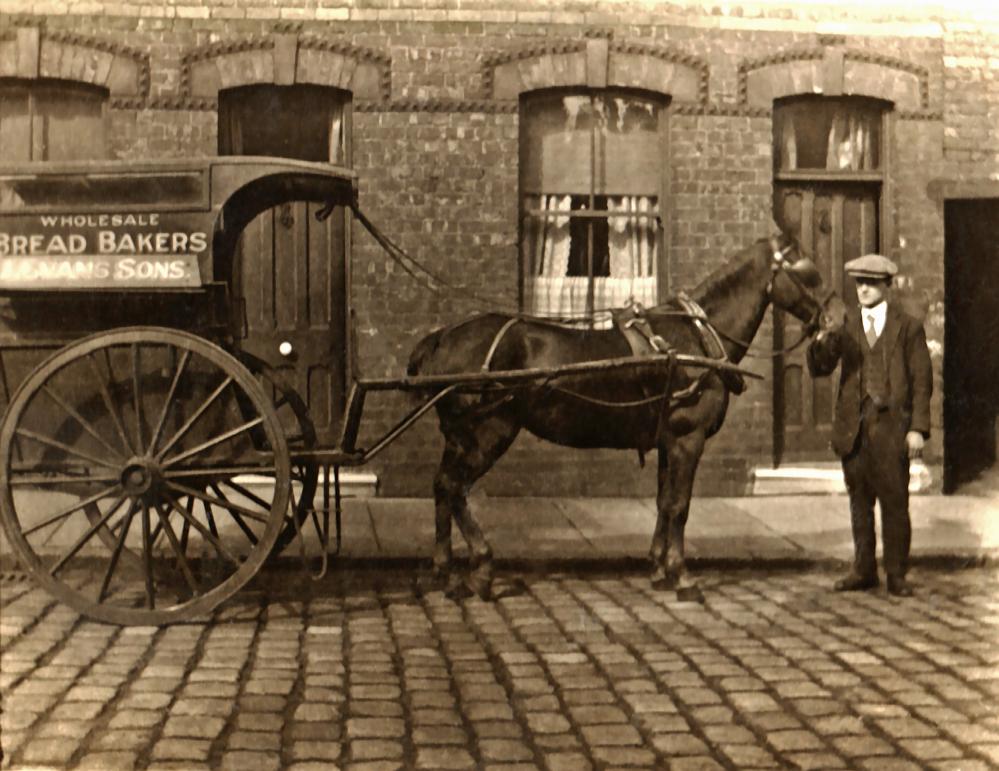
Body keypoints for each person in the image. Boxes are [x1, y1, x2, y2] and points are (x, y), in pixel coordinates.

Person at [807, 253, 933, 597]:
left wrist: (917, 429)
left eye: (871, 283)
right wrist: (821, 340)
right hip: (854, 431)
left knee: (895, 502)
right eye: (859, 283)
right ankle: (863, 569)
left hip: (892, 429)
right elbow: (821, 367)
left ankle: (896, 573)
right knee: (859, 503)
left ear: (886, 286)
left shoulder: (907, 327)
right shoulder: (844, 326)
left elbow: (921, 380)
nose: (863, 289)